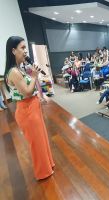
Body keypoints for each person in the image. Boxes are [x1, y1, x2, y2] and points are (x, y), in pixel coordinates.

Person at [4, 36, 54, 180]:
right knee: (36, 144)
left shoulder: (19, 68)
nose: (26, 51)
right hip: (27, 112)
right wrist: (34, 76)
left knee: (42, 139)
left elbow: (29, 90)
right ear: (13, 51)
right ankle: (43, 172)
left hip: (32, 108)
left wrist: (34, 76)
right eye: (22, 48)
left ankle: (48, 165)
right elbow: (26, 92)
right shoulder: (13, 71)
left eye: (26, 48)